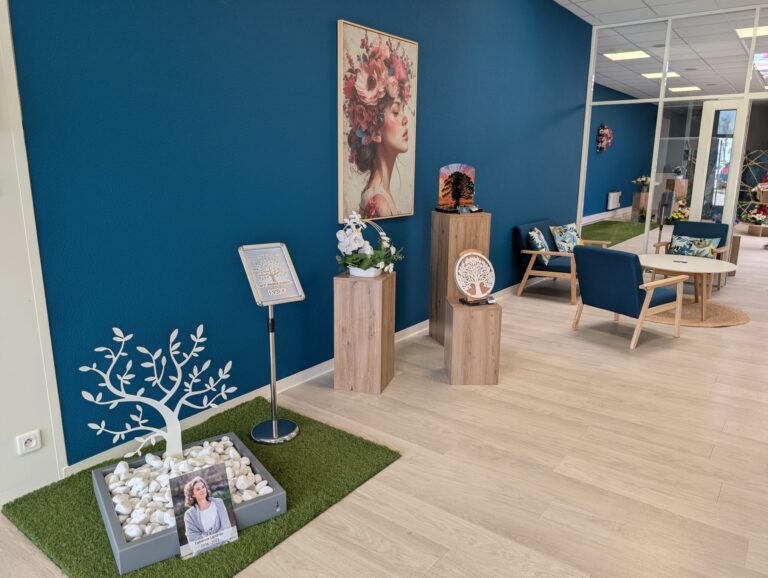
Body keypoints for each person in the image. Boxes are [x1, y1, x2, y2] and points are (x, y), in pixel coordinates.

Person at [343, 33, 414, 219]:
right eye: (396, 112)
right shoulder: (379, 202)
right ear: (375, 133)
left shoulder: (380, 195)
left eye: (402, 110)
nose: (405, 119)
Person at [182, 476, 231, 547]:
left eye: (203, 487)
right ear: (193, 494)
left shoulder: (218, 502)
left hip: (223, 543)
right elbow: (191, 537)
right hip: (204, 548)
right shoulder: (189, 514)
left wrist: (214, 539)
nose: (202, 490)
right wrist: (204, 539)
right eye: (198, 489)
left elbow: (226, 525)